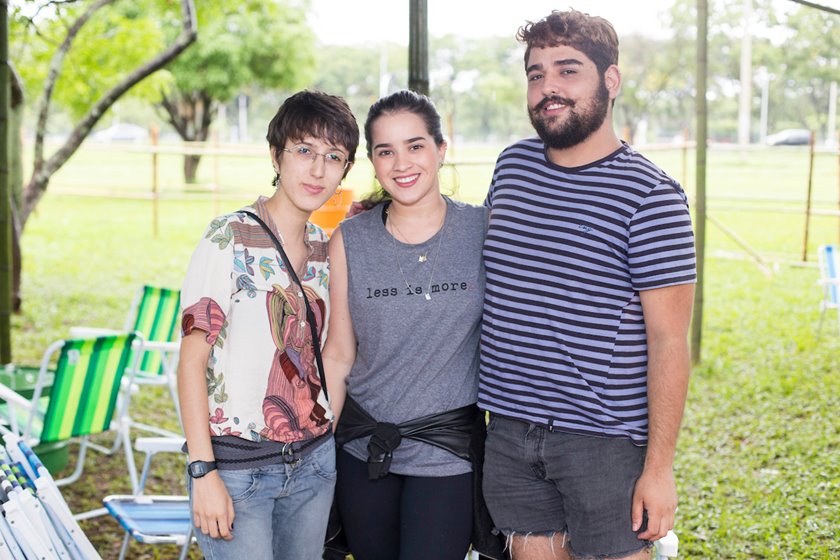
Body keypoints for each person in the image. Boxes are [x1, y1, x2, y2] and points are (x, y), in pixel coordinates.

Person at [479, 9, 697, 560]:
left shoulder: (652, 198)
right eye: (535, 74)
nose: (548, 87)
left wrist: (659, 469)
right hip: (509, 430)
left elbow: (670, 342)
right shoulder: (512, 166)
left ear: (611, 80)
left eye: (567, 70)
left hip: (603, 442)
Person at [177, 90, 359, 560]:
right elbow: (191, 363)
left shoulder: (328, 248)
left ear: (345, 170)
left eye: (333, 156)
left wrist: (324, 435)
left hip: (314, 468)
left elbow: (336, 353)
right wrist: (203, 472)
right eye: (304, 151)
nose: (317, 170)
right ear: (276, 155)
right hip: (238, 473)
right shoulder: (230, 237)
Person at [322, 89, 488, 560]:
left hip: (448, 454)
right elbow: (338, 354)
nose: (402, 163)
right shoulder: (350, 239)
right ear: (372, 162)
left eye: (415, 145)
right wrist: (318, 451)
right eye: (385, 150)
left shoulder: (483, 229)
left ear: (440, 149)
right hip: (363, 451)